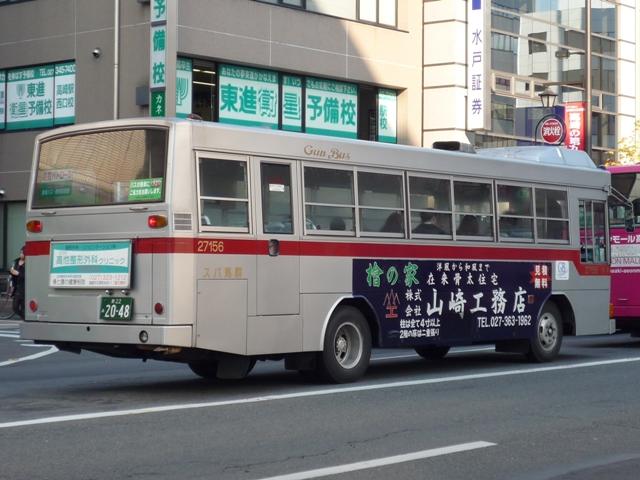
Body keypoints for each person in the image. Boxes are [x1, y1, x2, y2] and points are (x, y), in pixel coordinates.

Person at [9, 246, 25, 319]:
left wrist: (18, 274)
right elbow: (11, 271)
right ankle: (23, 316)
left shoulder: (29, 263)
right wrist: (11, 271)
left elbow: (28, 275)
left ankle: (24, 317)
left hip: (24, 288)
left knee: (23, 307)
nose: (21, 254)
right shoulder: (16, 261)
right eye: (20, 252)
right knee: (15, 307)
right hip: (16, 287)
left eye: (23, 253)